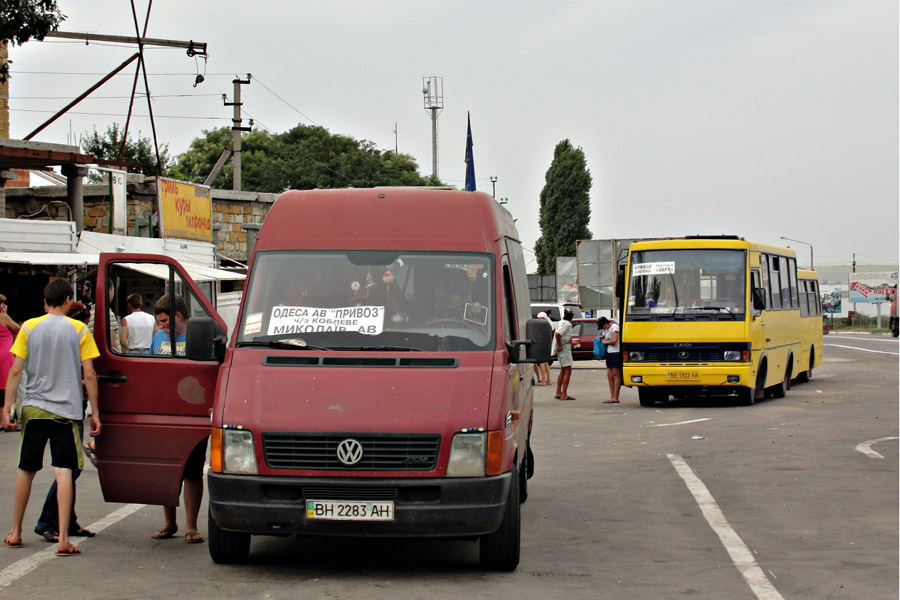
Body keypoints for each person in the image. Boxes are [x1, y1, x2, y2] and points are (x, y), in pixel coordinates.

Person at [3, 279, 101, 557]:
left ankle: (15, 532)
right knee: (64, 471)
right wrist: (95, 412)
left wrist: (8, 406)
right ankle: (63, 541)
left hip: (33, 408)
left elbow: (15, 371)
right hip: (66, 413)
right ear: (69, 301)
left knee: (27, 469)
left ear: (45, 303)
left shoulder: (30, 327)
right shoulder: (80, 329)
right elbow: (90, 374)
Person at [33, 302, 96, 543]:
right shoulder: (74, 336)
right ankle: (48, 521)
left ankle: (67, 520)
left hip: (61, 405)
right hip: (65, 407)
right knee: (70, 468)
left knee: (69, 467)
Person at [149, 295, 205, 544]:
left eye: (163, 321)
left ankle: (191, 526)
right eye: (159, 321)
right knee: (166, 471)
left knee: (192, 471)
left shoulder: (197, 337)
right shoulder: (159, 338)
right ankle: (169, 521)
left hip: (191, 413)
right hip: (165, 411)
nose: (161, 326)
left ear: (179, 316)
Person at [0, 294, 21, 430]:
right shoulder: (3, 317)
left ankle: (1, 421)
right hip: (5, 355)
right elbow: (18, 330)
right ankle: (10, 419)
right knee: (9, 387)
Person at [598, 316, 622, 403]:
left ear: (606, 323)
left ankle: (616, 397)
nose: (603, 328)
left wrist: (606, 342)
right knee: (610, 375)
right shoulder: (606, 329)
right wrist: (603, 336)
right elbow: (608, 336)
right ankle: (612, 396)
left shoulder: (614, 327)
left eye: (603, 326)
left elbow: (615, 340)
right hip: (609, 352)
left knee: (616, 374)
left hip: (616, 352)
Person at [553, 307, 575, 401]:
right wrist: (559, 345)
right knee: (567, 371)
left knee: (563, 370)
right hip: (564, 348)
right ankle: (564, 394)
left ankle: (558, 392)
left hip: (564, 345)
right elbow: (558, 334)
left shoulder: (561, 322)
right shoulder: (567, 324)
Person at [532, 312, 552, 385]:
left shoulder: (541, 325)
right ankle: (547, 380)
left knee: (541, 363)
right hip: (546, 345)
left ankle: (543, 380)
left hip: (540, 345)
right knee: (545, 362)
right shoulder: (548, 324)